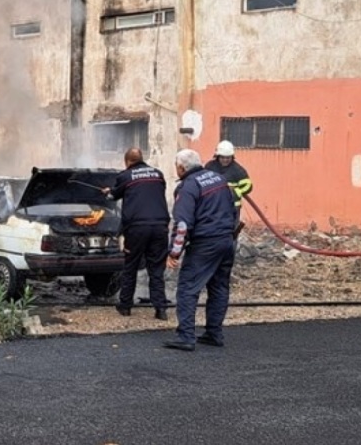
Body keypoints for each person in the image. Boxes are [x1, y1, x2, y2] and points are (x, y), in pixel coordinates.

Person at [163, 149, 237, 351]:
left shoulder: (188, 187)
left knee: (188, 288)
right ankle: (214, 333)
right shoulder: (219, 179)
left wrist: (173, 253)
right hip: (226, 240)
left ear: (181, 167)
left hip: (205, 243)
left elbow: (182, 225)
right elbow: (233, 209)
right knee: (219, 287)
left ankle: (186, 336)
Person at [102, 148, 170, 321]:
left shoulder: (125, 176)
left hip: (137, 229)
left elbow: (112, 197)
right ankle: (160, 309)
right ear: (142, 159)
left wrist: (108, 192)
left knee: (130, 267)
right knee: (156, 269)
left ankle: (125, 306)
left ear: (127, 161)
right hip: (160, 227)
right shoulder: (158, 174)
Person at [205, 140, 252, 225]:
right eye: (222, 157)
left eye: (228, 158)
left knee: (230, 229)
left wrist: (236, 192)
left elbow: (248, 185)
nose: (225, 160)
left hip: (232, 206)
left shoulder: (238, 170)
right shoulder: (210, 167)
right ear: (217, 156)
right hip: (213, 205)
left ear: (232, 157)